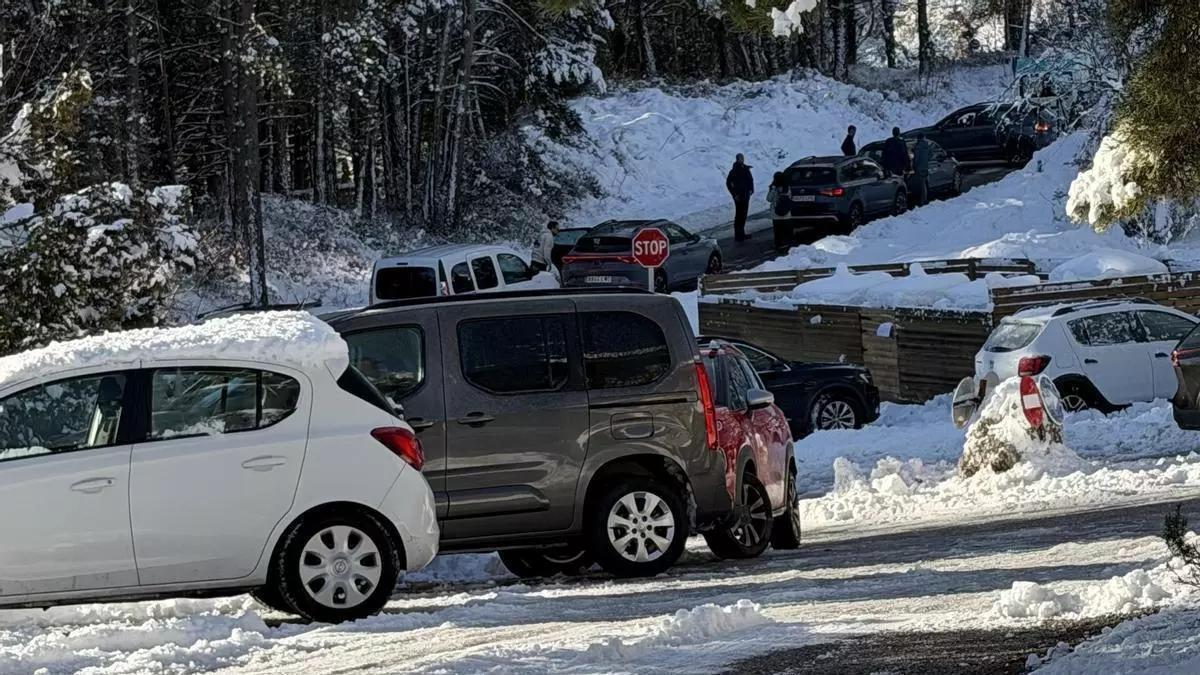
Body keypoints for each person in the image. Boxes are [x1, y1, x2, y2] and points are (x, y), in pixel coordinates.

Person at [726, 154, 754, 241]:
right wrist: (734, 194)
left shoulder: (745, 169)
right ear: (737, 159)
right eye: (740, 158)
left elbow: (750, 180)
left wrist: (751, 189)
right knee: (739, 215)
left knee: (743, 215)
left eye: (742, 158)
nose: (742, 160)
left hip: (746, 194)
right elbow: (728, 183)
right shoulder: (734, 171)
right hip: (738, 196)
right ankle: (738, 235)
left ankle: (742, 233)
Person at [911, 134, 932, 207]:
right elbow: (930, 155)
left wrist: (914, 165)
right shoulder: (927, 145)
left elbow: (916, 158)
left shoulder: (918, 147)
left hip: (919, 167)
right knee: (925, 183)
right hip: (926, 166)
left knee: (922, 184)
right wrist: (926, 160)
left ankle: (923, 200)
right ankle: (926, 198)